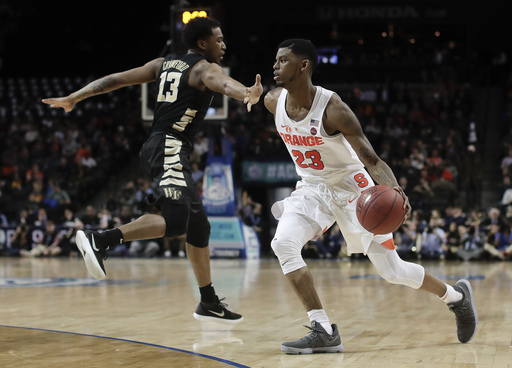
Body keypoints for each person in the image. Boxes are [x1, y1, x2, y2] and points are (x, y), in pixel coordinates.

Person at [42, 16, 262, 324]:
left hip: (161, 146)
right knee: (175, 222)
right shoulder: (203, 68)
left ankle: (209, 302)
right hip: (169, 146)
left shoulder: (164, 63)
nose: (223, 45)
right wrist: (245, 93)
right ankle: (101, 240)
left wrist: (75, 97)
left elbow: (115, 79)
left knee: (199, 229)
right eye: (219, 40)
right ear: (202, 44)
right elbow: (223, 83)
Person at [263, 39, 477, 354]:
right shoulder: (272, 100)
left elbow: (372, 160)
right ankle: (323, 329)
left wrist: (397, 190)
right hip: (312, 187)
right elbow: (237, 90)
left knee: (392, 271)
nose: (275, 66)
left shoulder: (334, 110)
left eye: (283, 60)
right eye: (276, 60)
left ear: (303, 65)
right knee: (283, 243)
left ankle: (456, 297)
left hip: (355, 189)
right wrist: (246, 93)